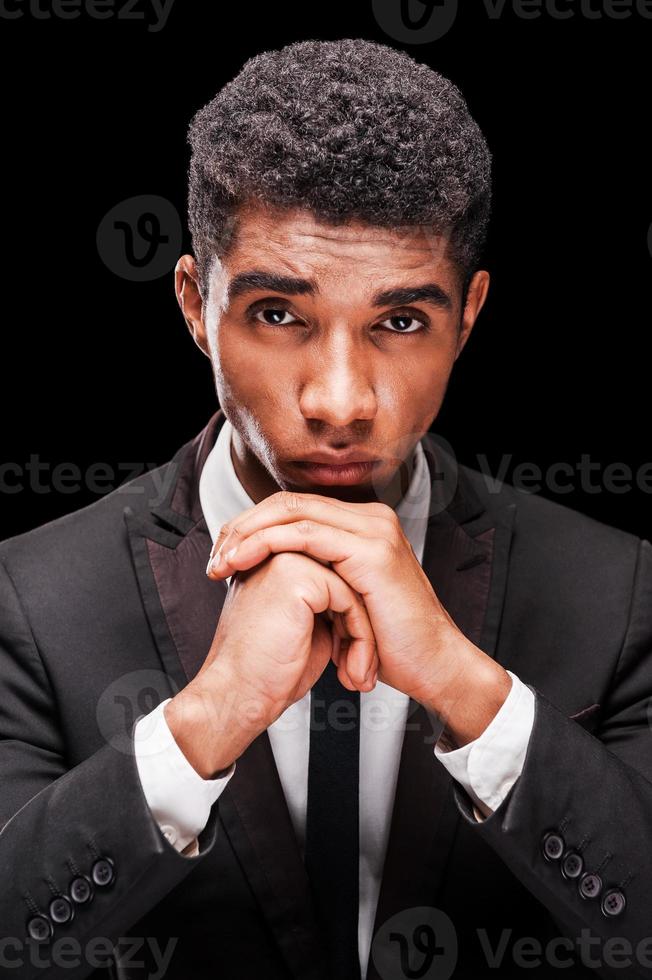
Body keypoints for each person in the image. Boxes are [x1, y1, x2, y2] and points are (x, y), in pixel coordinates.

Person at [1, 36, 651, 980]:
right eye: (277, 313)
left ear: (467, 315)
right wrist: (204, 723)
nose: (340, 401)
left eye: (398, 322)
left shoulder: (617, 590)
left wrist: (472, 694)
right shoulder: (31, 598)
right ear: (193, 302)